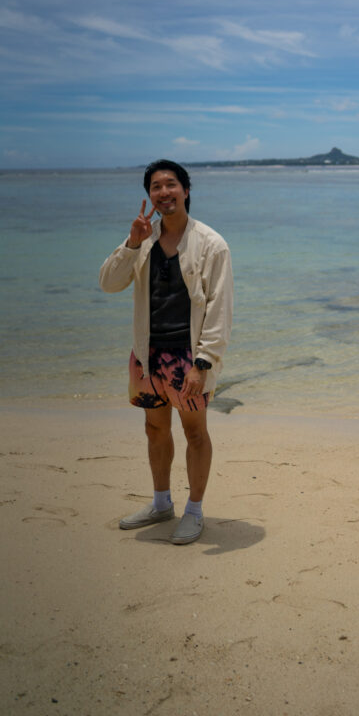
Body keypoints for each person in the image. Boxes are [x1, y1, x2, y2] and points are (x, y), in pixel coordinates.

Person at [99, 160, 233, 545]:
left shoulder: (211, 244)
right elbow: (109, 283)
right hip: (146, 355)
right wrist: (132, 243)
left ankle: (194, 511)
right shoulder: (143, 239)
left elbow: (220, 309)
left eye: (171, 184)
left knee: (195, 434)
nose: (163, 192)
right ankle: (161, 504)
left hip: (187, 359)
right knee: (154, 429)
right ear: (150, 196)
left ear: (186, 190)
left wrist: (202, 364)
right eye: (155, 187)